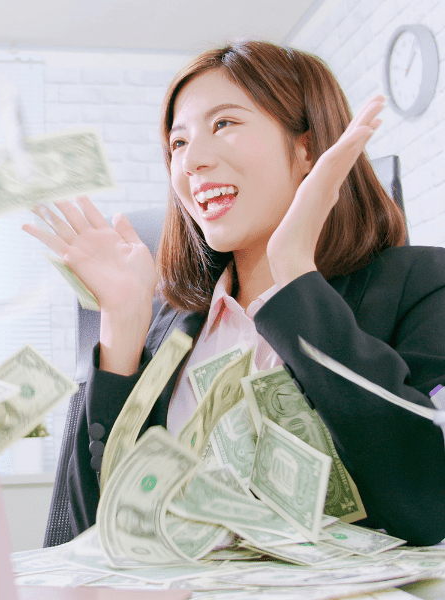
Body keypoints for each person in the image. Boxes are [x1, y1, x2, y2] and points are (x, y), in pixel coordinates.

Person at [23, 40, 445, 546]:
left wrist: (293, 271)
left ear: (307, 146)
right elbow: (94, 535)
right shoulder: (174, 329)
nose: (192, 161)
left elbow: (424, 506)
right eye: (177, 143)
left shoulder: (423, 284)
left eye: (224, 124)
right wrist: (123, 321)